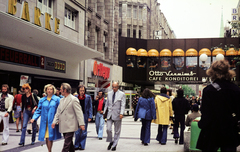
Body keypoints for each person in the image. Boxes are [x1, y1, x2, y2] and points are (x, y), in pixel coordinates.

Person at [195, 60, 240, 152]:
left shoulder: (208, 90)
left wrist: (201, 124)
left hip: (212, 132)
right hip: (230, 131)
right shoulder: (236, 89)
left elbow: (206, 114)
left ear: (212, 73)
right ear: (228, 72)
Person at [52, 83, 85, 152]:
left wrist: (81, 123)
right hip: (63, 124)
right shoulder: (61, 100)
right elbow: (58, 112)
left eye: (61, 89)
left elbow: (79, 112)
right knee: (69, 143)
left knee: (66, 144)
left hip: (71, 124)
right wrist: (54, 121)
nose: (60, 91)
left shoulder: (74, 99)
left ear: (65, 90)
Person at [30, 84, 61, 152]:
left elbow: (60, 110)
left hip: (52, 121)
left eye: (51, 89)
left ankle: (49, 150)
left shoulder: (57, 99)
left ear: (53, 90)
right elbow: (38, 110)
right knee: (47, 137)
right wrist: (34, 118)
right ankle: (49, 150)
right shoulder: (42, 100)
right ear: (46, 90)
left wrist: (58, 119)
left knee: (50, 137)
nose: (49, 90)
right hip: (44, 121)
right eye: (48, 89)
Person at [103, 82, 125, 151]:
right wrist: (104, 112)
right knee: (108, 129)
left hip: (118, 114)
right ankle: (111, 141)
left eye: (115, 87)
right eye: (113, 87)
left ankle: (115, 144)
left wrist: (122, 113)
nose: (114, 88)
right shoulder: (109, 94)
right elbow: (106, 104)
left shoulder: (122, 94)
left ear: (118, 87)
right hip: (109, 114)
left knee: (117, 131)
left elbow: (123, 105)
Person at [74, 85, 92, 150]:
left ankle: (82, 145)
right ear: (78, 91)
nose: (82, 92)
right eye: (81, 90)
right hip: (77, 116)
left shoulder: (88, 97)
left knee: (84, 131)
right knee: (77, 131)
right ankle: (76, 145)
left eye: (83, 90)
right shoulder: (75, 97)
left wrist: (90, 116)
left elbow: (90, 107)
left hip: (85, 115)